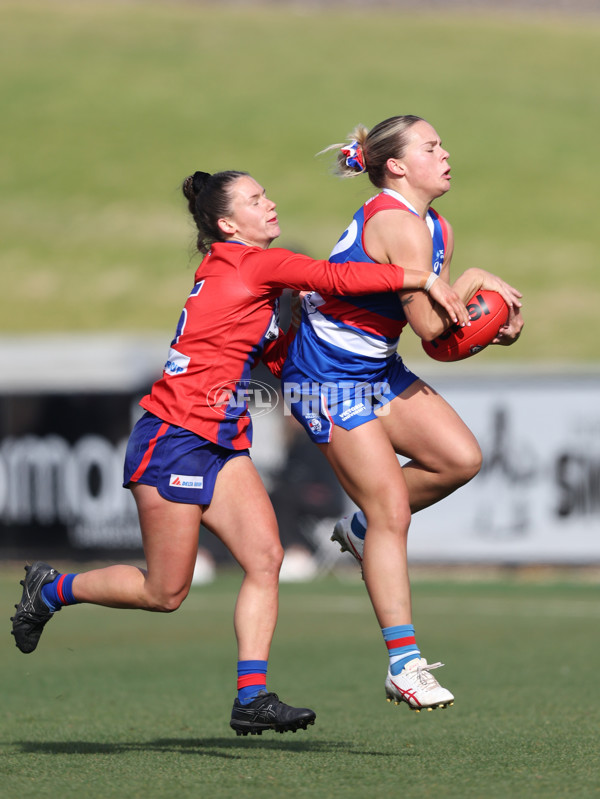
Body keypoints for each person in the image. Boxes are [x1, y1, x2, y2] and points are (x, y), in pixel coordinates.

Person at [10, 168, 471, 735]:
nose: (270, 204)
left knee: (265, 559)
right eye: (256, 200)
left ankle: (251, 696)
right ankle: (52, 588)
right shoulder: (250, 262)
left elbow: (272, 348)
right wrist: (425, 279)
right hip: (173, 437)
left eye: (266, 194)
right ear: (228, 224)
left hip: (223, 439)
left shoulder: (246, 273)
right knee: (165, 591)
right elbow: (334, 276)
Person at [282, 116, 524, 712]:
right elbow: (433, 332)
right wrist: (477, 283)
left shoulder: (432, 223)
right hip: (325, 375)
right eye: (431, 146)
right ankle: (404, 664)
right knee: (391, 506)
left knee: (459, 458)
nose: (446, 154)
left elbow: (448, 335)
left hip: (374, 369)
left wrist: (496, 325)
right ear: (395, 165)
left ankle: (361, 532)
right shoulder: (397, 223)